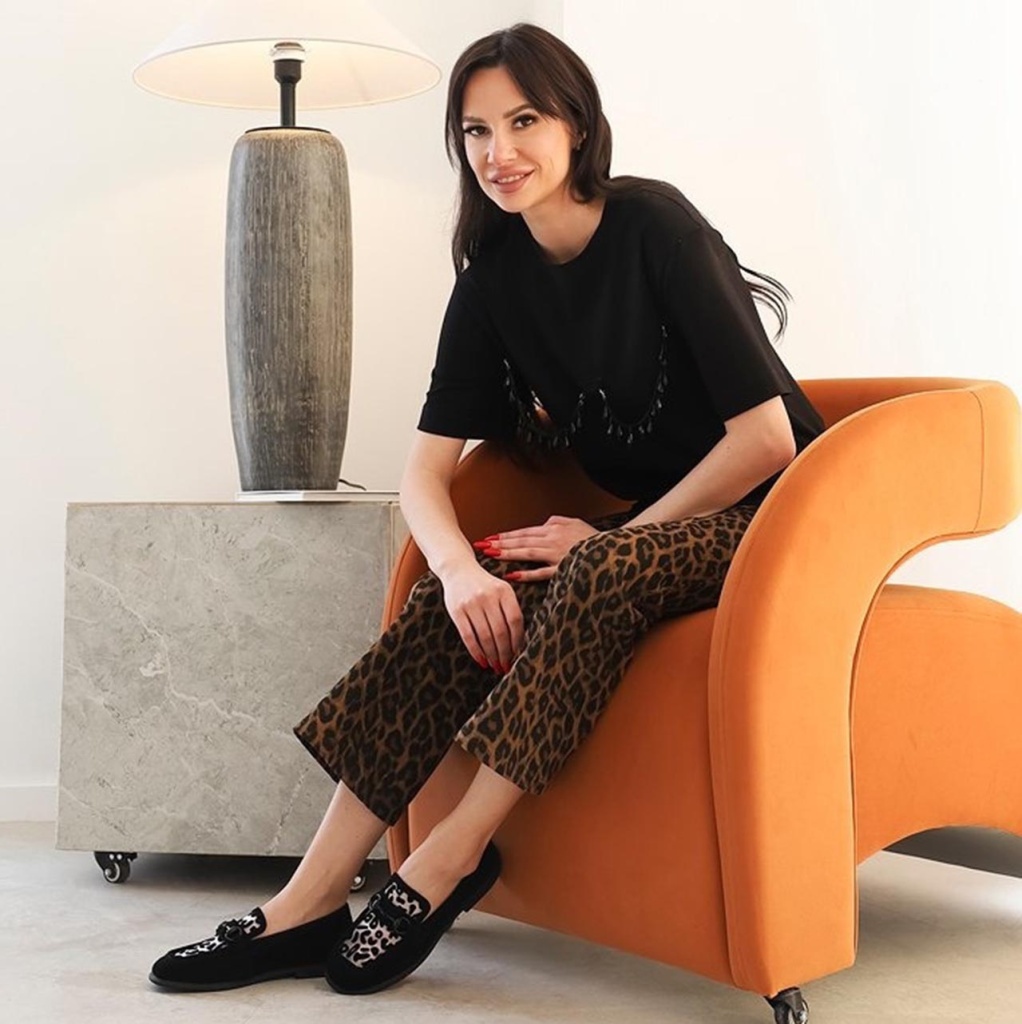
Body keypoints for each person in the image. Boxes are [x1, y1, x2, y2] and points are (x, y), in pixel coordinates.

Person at [149, 22, 826, 996]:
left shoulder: (657, 231)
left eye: (524, 121)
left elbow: (765, 441)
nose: (497, 152)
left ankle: (449, 858)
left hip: (779, 521)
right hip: (650, 527)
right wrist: (462, 572)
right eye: (475, 130)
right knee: (458, 598)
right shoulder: (496, 279)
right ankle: (308, 901)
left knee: (591, 562)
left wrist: (609, 538)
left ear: (577, 127)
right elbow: (425, 475)